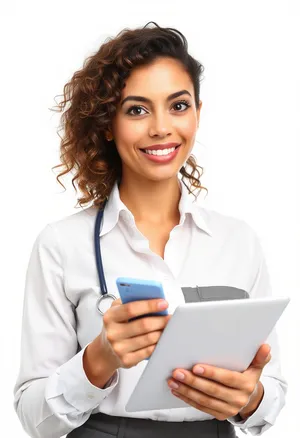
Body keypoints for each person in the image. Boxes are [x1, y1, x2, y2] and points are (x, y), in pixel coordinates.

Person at [13, 21, 287, 438]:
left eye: (178, 105)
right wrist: (99, 360)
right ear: (108, 123)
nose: (161, 127)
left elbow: (273, 396)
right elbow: (35, 420)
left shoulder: (239, 242)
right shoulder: (62, 245)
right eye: (137, 110)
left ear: (198, 112)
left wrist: (248, 399)